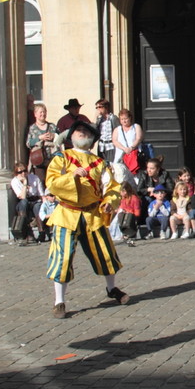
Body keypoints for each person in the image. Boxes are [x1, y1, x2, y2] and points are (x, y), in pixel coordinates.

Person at [45, 120, 129, 319]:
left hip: (93, 214)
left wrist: (110, 201)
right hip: (67, 214)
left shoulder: (100, 163)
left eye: (86, 132)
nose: (82, 134)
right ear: (71, 136)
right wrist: (72, 176)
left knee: (105, 253)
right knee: (63, 257)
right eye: (78, 131)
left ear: (92, 140)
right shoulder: (61, 158)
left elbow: (112, 187)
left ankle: (112, 289)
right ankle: (59, 301)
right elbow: (52, 183)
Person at [10, 163, 44, 245]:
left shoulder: (34, 178)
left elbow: (41, 194)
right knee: (24, 203)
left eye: (24, 171)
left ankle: (42, 232)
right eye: (20, 172)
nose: (23, 173)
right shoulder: (14, 181)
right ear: (16, 173)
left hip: (35, 200)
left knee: (38, 206)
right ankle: (28, 232)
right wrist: (25, 183)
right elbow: (22, 197)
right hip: (23, 202)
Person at [26, 103, 58, 177]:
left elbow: (60, 139)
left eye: (44, 112)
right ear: (35, 114)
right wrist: (39, 138)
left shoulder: (52, 126)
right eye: (41, 112)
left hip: (52, 161)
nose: (43, 114)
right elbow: (28, 143)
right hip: (38, 162)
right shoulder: (32, 128)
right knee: (41, 183)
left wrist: (54, 136)